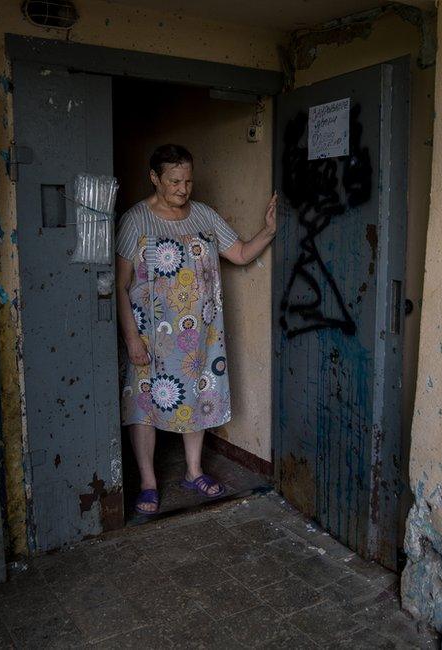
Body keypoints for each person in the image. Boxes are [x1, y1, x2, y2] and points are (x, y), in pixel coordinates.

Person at [115, 143, 277, 515]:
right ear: (155, 178)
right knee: (144, 406)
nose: (182, 189)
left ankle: (193, 471)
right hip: (150, 336)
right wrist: (131, 338)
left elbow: (238, 254)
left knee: (197, 399)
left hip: (200, 334)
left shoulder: (204, 215)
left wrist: (267, 232)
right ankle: (149, 483)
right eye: (174, 181)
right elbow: (120, 285)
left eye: (187, 180)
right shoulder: (136, 220)